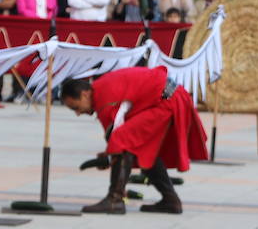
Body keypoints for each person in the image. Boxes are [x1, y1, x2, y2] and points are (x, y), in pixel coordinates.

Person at [60, 67, 209, 214]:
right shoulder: (101, 90)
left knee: (123, 140)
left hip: (166, 100)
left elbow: (116, 135)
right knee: (142, 149)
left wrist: (109, 156)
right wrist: (110, 155)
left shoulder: (103, 96)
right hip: (168, 96)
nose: (78, 113)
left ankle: (115, 200)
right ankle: (171, 201)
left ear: (85, 94)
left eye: (76, 107)